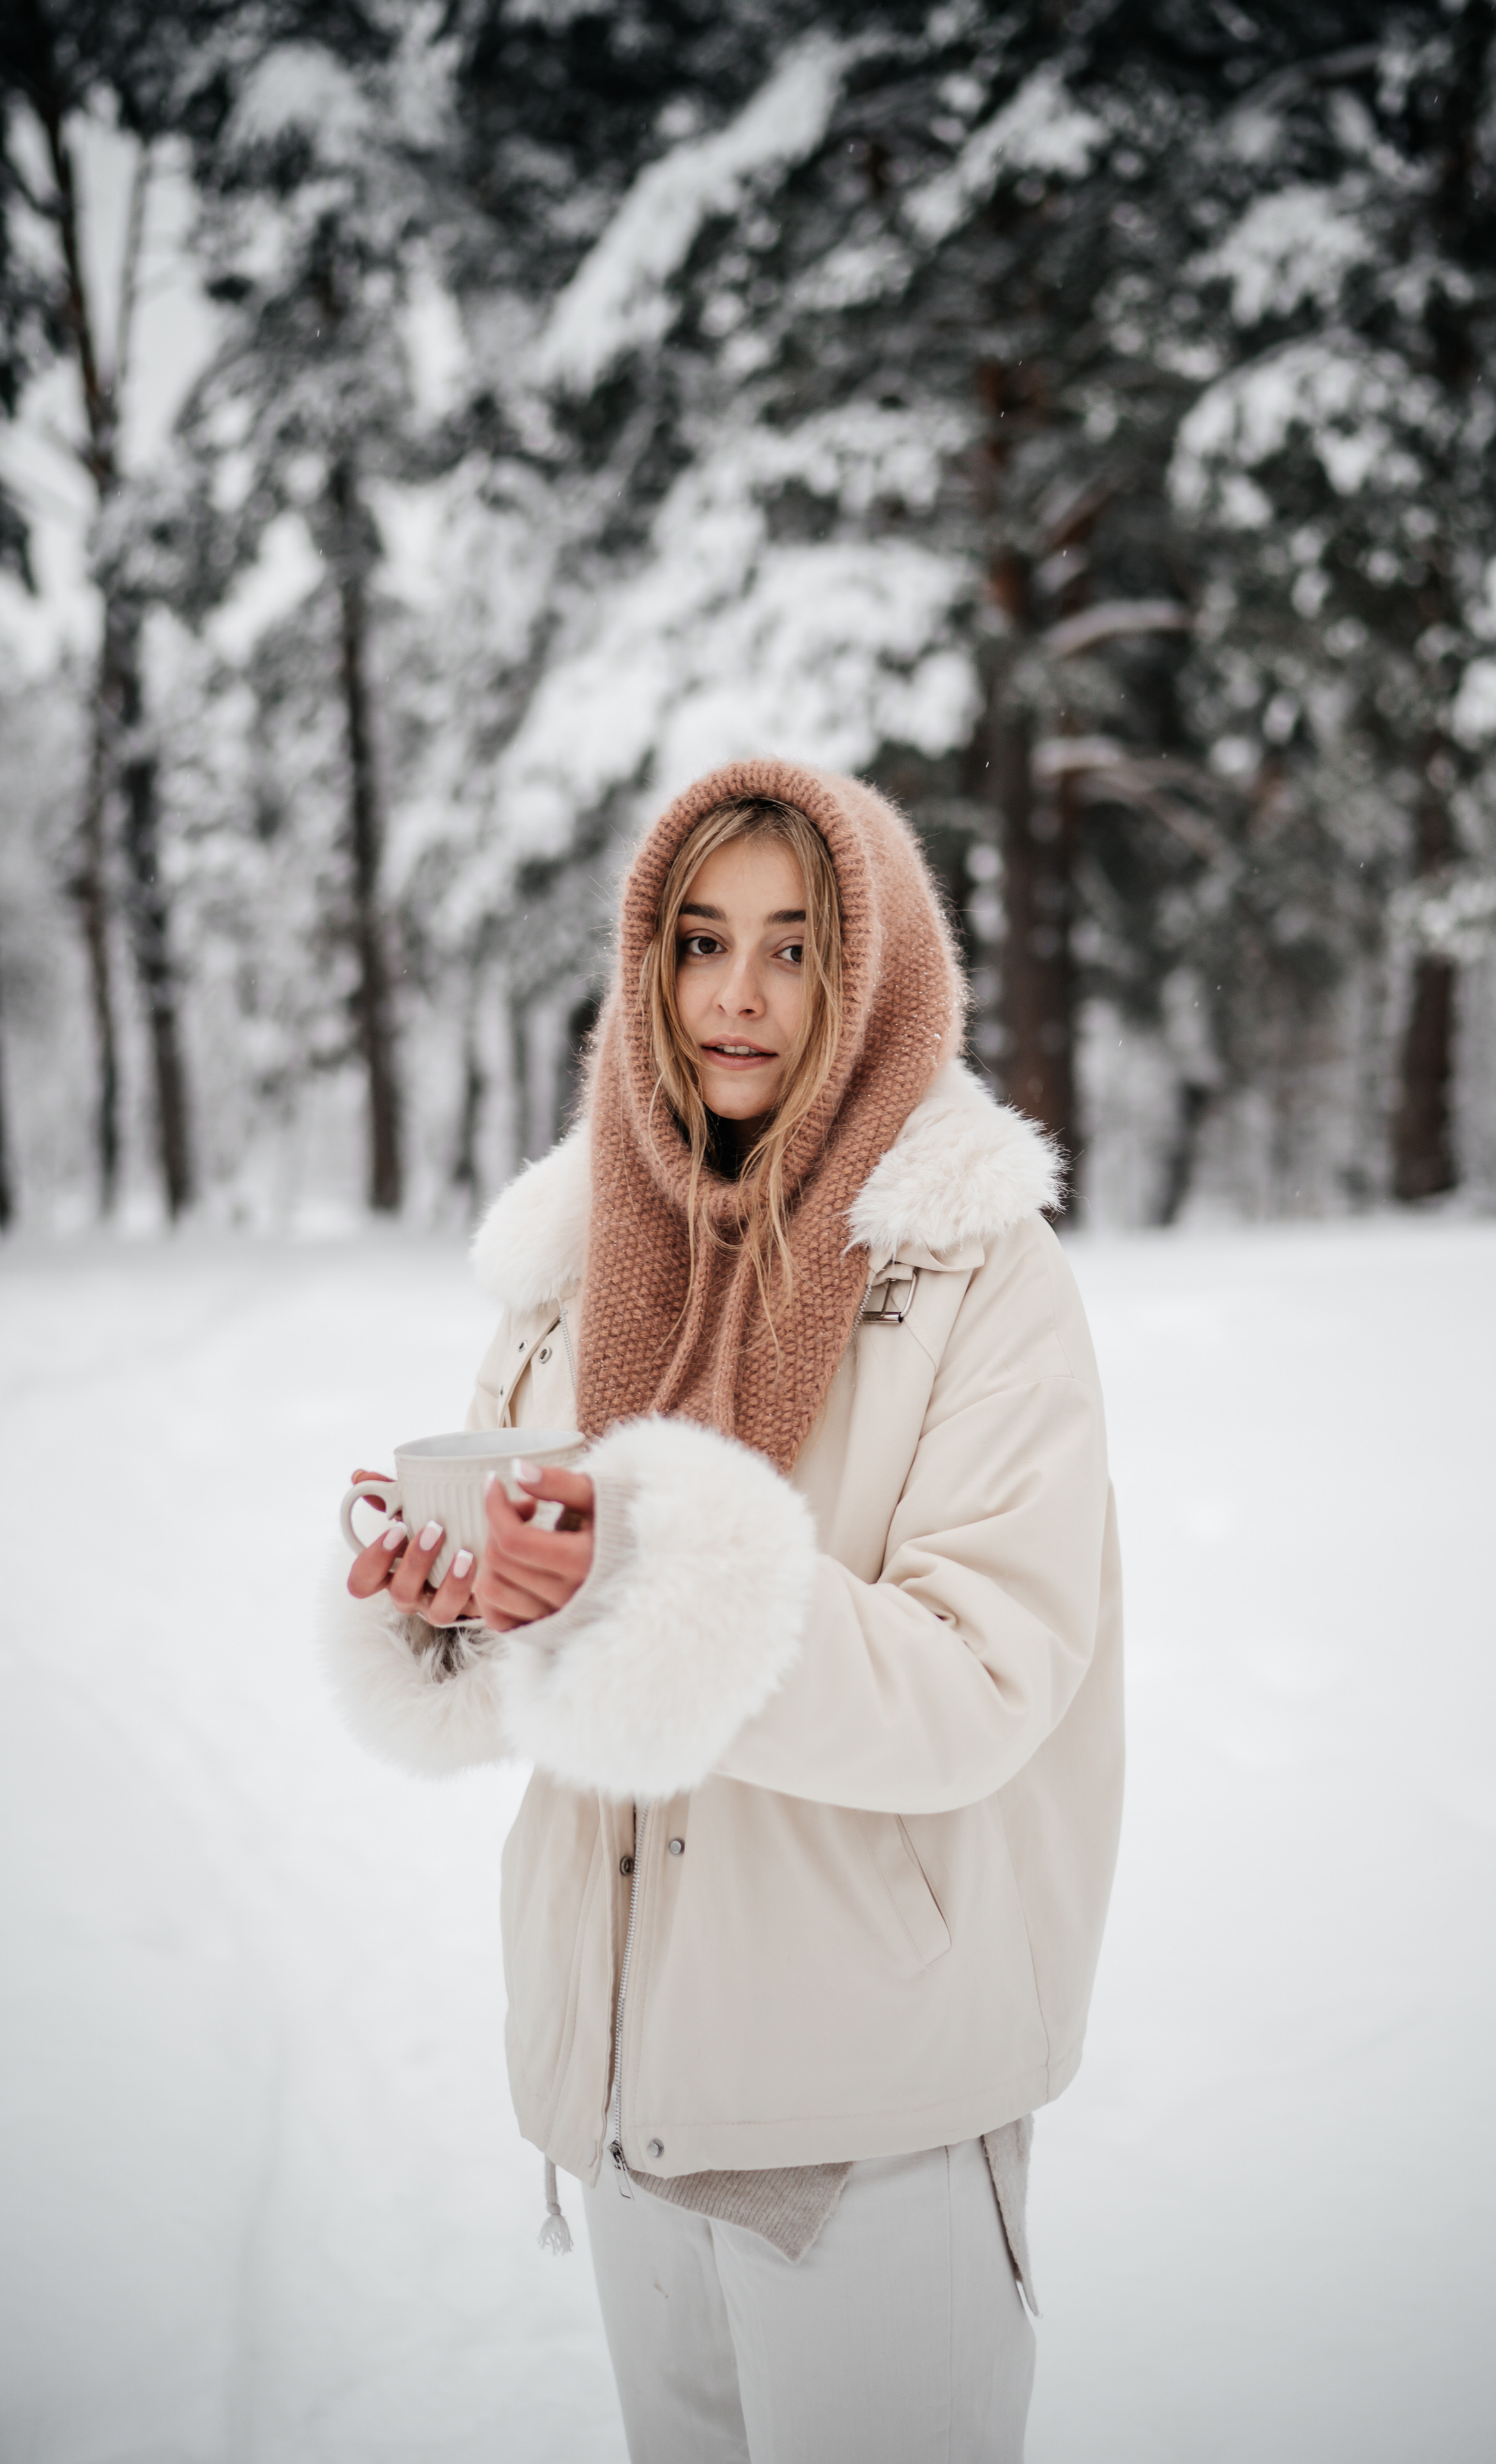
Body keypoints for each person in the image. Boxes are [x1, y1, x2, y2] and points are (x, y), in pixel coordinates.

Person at [325, 758, 1124, 2464]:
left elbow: (987, 1679)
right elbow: (541, 1657)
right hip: (625, 2094)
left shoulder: (970, 1266)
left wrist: (652, 1573)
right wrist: (450, 1606)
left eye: (793, 945)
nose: (737, 997)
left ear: (873, 969)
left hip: (868, 2108)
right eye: (698, 943)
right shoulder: (573, 1256)